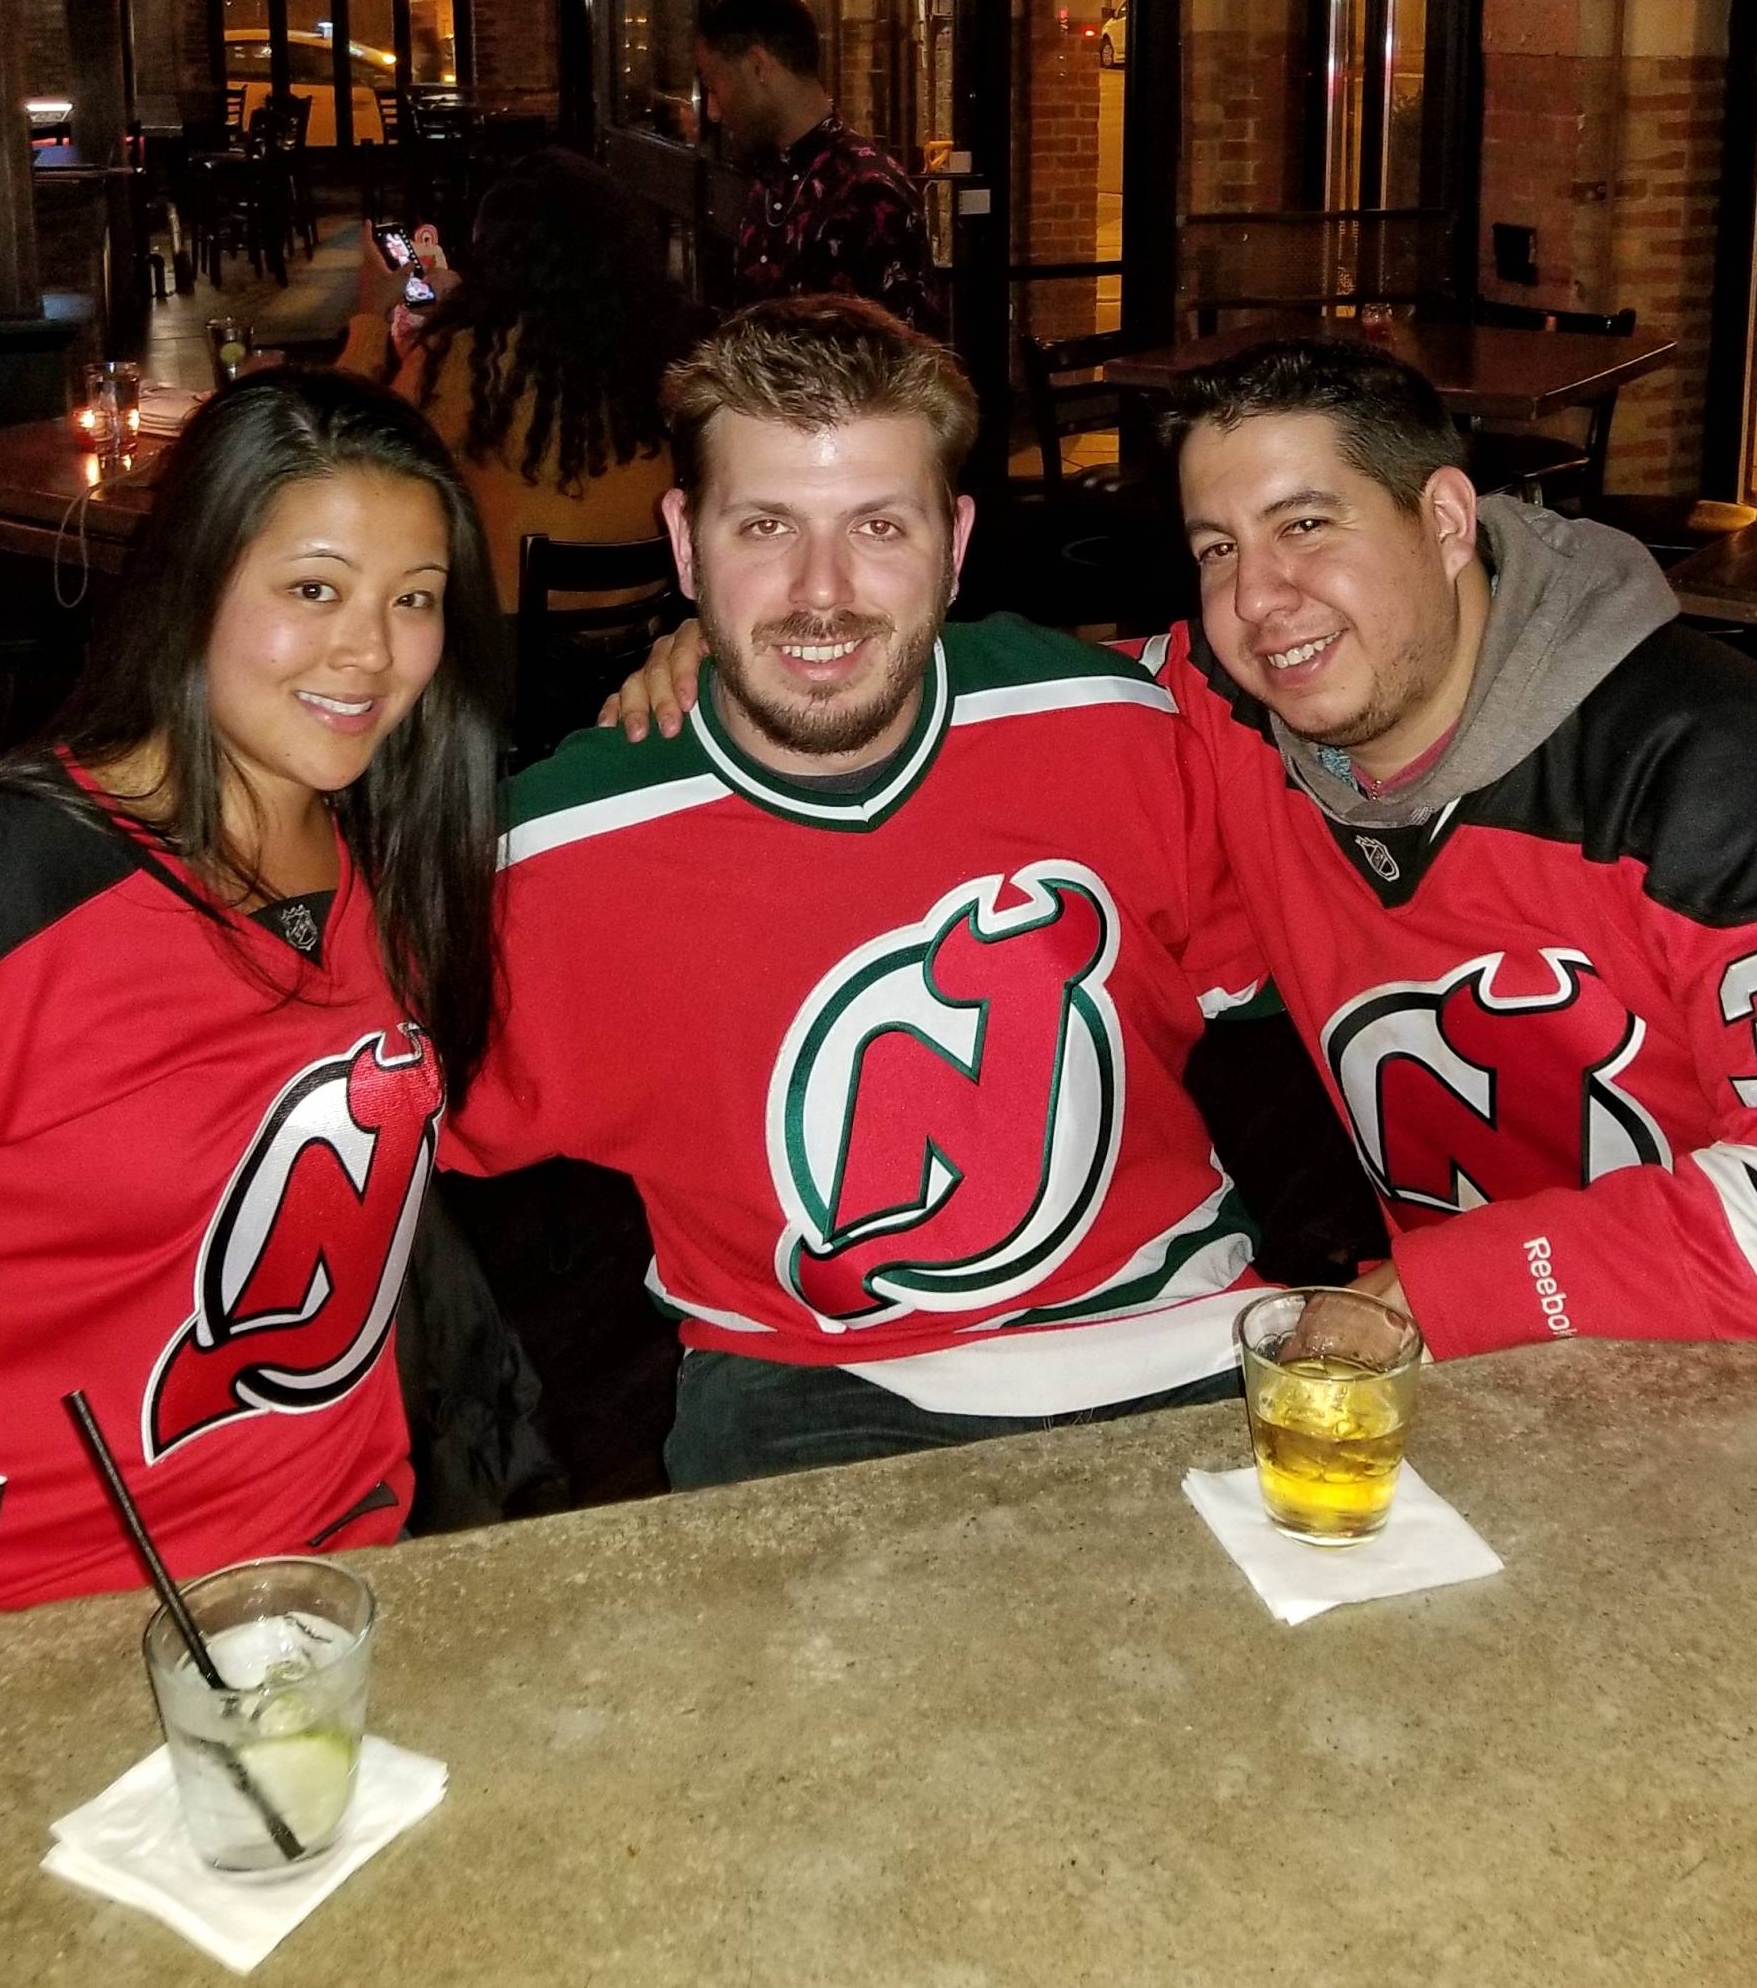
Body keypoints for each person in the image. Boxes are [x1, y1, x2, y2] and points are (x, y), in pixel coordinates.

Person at [607, 335, 1757, 1362]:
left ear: (1447, 520)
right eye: (1217, 549)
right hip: (1476, 1368)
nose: (1260, 598)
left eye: (1307, 525)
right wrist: (755, 655)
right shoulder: (1220, 721)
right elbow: (953, 693)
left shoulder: (1708, 760)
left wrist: (1431, 1293)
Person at [445, 296, 1268, 1488]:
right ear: (685, 542)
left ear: (956, 541)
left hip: (1183, 1332)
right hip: (807, 1386)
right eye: (764, 526)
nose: (820, 590)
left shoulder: (1122, 721)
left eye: (879, 525)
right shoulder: (554, 850)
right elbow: (325, 1095)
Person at [0, 371, 505, 1608]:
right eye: (313, 589)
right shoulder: (6, 887)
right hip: (56, 1615)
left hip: (352, 1573)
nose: (371, 652)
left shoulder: (403, 857)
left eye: (414, 599)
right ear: (195, 581)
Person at [338, 155, 688, 614]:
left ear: (498, 256)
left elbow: (346, 446)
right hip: (639, 631)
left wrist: (370, 315)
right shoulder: (652, 350)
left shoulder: (468, 357)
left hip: (503, 640)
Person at [697, 0, 938, 331]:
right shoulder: (770, 176)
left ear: (758, 66)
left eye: (713, 86)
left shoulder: (867, 194)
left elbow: (900, 357)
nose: (713, 111)